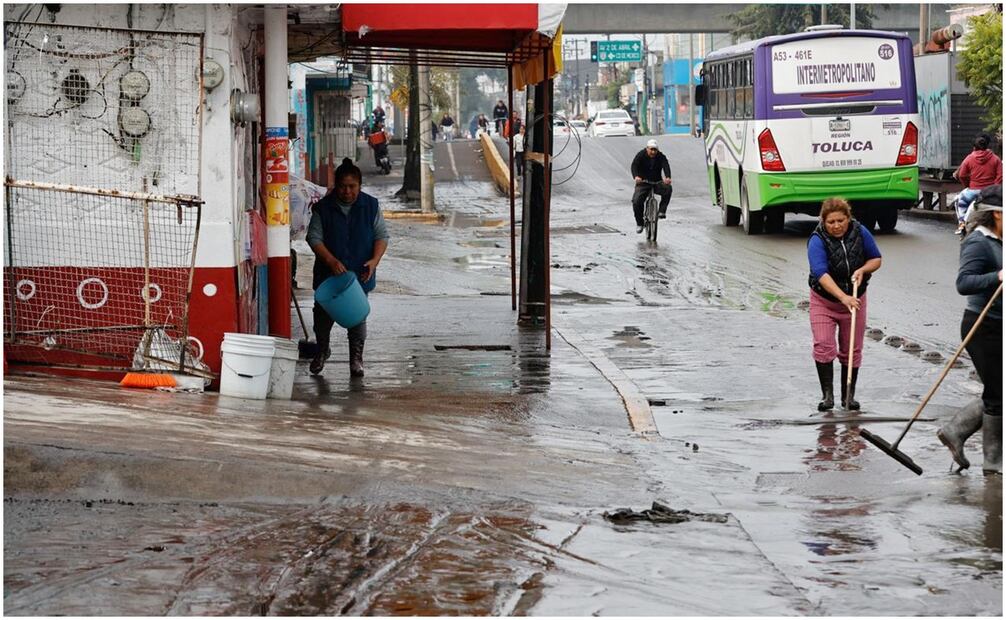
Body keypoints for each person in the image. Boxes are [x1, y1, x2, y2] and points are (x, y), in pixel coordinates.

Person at [938, 186, 1002, 474]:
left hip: (1001, 323)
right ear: (995, 216)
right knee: (997, 392)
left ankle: (956, 431)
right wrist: (998, 276)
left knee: (999, 389)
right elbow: (964, 283)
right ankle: (993, 461)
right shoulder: (979, 242)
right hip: (982, 325)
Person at [307, 158, 389, 378]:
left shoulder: (370, 206)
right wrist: (331, 261)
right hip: (329, 274)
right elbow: (313, 237)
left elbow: (381, 236)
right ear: (336, 185)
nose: (347, 191)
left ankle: (356, 358)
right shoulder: (323, 208)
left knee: (356, 317)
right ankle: (322, 351)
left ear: (360, 186)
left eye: (352, 187)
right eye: (343, 186)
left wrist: (375, 260)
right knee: (322, 317)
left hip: (359, 274)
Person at [808, 198, 883, 411]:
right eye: (831, 222)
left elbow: (876, 258)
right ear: (823, 222)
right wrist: (843, 297)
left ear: (848, 219)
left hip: (856, 300)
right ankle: (828, 396)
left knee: (852, 348)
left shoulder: (860, 232)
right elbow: (820, 273)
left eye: (840, 220)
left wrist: (863, 270)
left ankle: (848, 396)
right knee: (823, 345)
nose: (836, 225)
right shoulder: (817, 240)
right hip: (825, 300)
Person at [953, 134, 1003, 235]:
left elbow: (962, 175)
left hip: (973, 190)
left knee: (959, 201)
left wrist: (967, 185)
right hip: (989, 191)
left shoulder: (969, 158)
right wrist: (994, 188)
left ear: (974, 147)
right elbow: (1000, 175)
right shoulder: (995, 159)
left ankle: (962, 222)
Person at [630, 139, 672, 233]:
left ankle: (661, 211)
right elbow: (634, 165)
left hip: (657, 182)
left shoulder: (661, 156)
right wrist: (636, 176)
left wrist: (668, 177)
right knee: (637, 201)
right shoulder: (641, 155)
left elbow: (666, 165)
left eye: (655, 150)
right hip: (643, 183)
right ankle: (640, 223)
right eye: (651, 149)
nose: (653, 152)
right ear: (647, 149)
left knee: (668, 189)